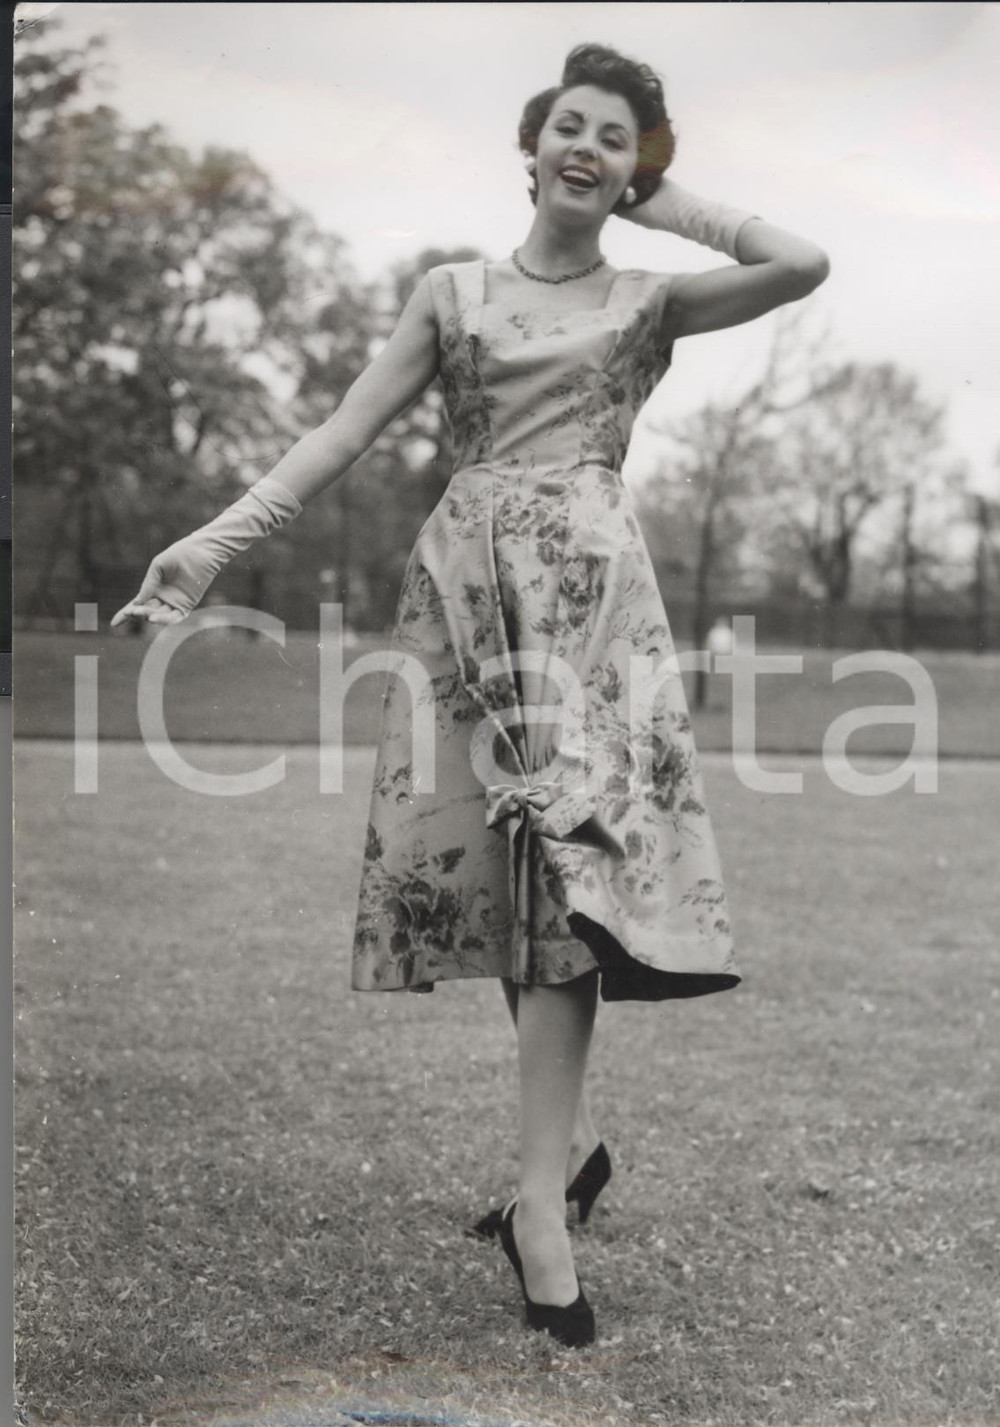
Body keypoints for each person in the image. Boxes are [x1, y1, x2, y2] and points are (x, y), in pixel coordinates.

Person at [112, 43, 829, 1348]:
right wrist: (210, 545)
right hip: (466, 599)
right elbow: (344, 430)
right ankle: (568, 1155)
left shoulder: (647, 301)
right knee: (511, 883)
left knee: (567, 875)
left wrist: (666, 203)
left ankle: (539, 1206)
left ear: (634, 169)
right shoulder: (452, 292)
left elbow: (801, 262)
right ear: (530, 144)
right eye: (570, 126)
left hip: (589, 609)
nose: (587, 149)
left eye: (615, 138)